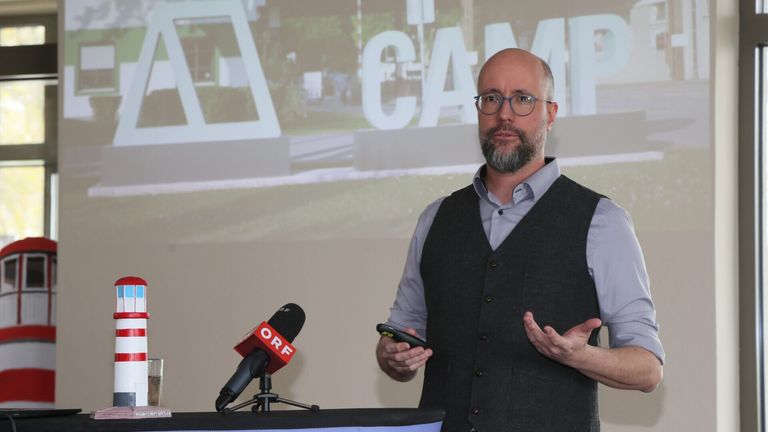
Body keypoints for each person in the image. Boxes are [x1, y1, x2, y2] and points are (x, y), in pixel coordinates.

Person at [375, 48, 664, 432]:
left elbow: (648, 368)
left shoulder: (602, 221)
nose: (504, 114)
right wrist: (392, 357)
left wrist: (580, 357)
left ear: (550, 113)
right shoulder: (435, 218)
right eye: (491, 98)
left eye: (523, 99)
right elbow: (400, 339)